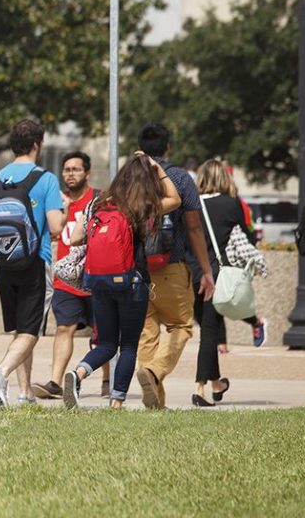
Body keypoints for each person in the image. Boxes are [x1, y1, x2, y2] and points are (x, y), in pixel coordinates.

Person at [60, 154, 182, 408]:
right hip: (132, 282)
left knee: (105, 343)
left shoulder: (98, 201)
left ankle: (79, 373)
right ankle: (116, 403)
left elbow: (74, 239)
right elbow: (175, 199)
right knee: (127, 344)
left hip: (98, 282)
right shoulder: (140, 205)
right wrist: (158, 168)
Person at [0, 119, 64, 408]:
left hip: (2, 263)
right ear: (36, 145)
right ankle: (1, 373)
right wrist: (66, 214)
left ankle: (24, 392)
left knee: (20, 328)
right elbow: (55, 227)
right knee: (31, 332)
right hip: (34, 261)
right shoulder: (46, 180)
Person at [134, 123, 215, 410]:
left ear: (140, 147)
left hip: (138, 270)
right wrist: (206, 271)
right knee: (182, 326)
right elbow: (193, 228)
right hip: (172, 267)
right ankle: (155, 371)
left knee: (146, 330)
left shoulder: (132, 179)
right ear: (168, 147)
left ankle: (155, 402)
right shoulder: (180, 178)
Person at [32, 151, 110, 400]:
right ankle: (56, 382)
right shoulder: (56, 201)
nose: (71, 174)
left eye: (76, 169)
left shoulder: (98, 199)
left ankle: (107, 381)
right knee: (64, 328)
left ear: (87, 173)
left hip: (95, 277)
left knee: (103, 332)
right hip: (66, 279)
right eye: (67, 170)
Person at [191, 160, 261, 407]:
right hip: (216, 274)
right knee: (210, 332)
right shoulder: (230, 204)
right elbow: (247, 236)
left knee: (208, 327)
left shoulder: (191, 204)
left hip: (191, 274)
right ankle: (199, 389)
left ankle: (217, 383)